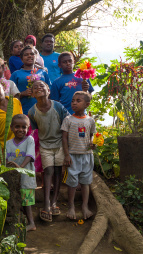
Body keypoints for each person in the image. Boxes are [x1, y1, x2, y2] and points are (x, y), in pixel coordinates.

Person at [28, 80, 70, 222]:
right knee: (48, 171)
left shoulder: (57, 106)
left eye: (42, 86)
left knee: (58, 171)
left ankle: (54, 202)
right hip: (45, 146)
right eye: (35, 88)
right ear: (32, 94)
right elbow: (35, 129)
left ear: (48, 90)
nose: (39, 88)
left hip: (60, 144)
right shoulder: (32, 111)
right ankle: (46, 203)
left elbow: (67, 122)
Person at [61, 91, 96, 220]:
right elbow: (64, 139)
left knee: (86, 182)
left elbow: (91, 137)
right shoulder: (68, 119)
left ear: (87, 104)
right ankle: (71, 207)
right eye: (73, 100)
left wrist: (93, 144)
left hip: (87, 155)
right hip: (73, 156)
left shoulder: (90, 121)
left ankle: (85, 206)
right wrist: (66, 155)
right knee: (72, 183)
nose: (74, 103)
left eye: (78, 101)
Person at [6, 114, 36, 231]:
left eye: (24, 127)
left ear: (28, 128)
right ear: (11, 128)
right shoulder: (8, 143)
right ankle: (19, 221)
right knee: (16, 198)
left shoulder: (30, 140)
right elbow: (7, 160)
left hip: (26, 177)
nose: (21, 130)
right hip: (13, 177)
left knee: (26, 201)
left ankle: (31, 223)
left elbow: (29, 156)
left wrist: (20, 167)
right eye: (17, 127)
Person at [10, 45, 51, 116]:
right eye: (26, 55)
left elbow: (50, 91)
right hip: (24, 111)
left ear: (36, 57)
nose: (29, 56)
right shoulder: (16, 74)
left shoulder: (43, 72)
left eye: (32, 54)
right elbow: (10, 96)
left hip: (43, 111)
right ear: (21, 59)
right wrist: (22, 93)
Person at [0, 81, 23, 156]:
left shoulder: (15, 102)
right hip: (3, 148)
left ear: (3, 89)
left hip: (21, 144)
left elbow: (23, 121)